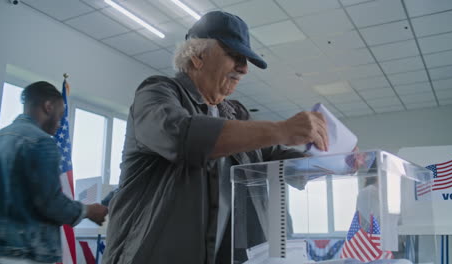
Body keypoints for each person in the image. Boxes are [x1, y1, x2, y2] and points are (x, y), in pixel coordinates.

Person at [102, 11, 329, 264]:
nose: (244, 68)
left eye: (245, 60)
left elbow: (271, 156)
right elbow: (182, 136)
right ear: (198, 57)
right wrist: (282, 129)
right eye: (235, 56)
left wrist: (328, 163)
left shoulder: (236, 113)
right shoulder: (157, 92)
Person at [0, 81, 108, 264]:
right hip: (29, 254)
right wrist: (89, 210)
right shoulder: (42, 142)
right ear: (48, 106)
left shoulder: (2, 136)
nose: (60, 123)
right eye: (61, 114)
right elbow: (50, 202)